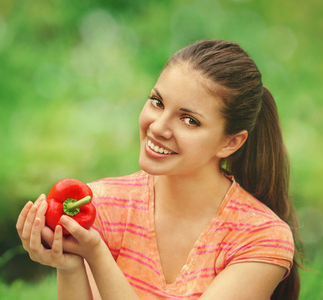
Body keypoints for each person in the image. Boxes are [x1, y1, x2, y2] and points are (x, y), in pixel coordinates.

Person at [16, 39, 302, 300]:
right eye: (157, 102)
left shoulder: (260, 236)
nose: (158, 127)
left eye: (189, 120)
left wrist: (97, 255)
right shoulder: (101, 206)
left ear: (230, 142)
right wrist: (70, 266)